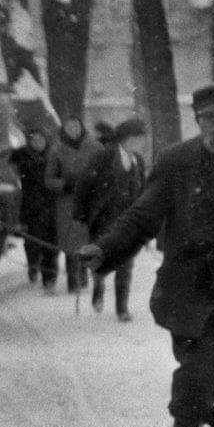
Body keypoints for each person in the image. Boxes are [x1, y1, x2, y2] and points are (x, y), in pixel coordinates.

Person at [79, 82, 214, 427]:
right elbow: (141, 217)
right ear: (197, 121)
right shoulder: (177, 162)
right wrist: (104, 249)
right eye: (210, 119)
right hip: (190, 288)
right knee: (197, 373)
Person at [74, 117, 147, 321]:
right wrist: (80, 214)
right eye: (138, 139)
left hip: (128, 221)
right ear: (125, 139)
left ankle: (121, 308)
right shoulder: (103, 157)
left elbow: (142, 191)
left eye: (142, 139)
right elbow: (84, 185)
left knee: (126, 263)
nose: (141, 143)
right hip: (104, 218)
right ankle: (98, 284)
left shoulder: (138, 161)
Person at [46, 116, 102, 293]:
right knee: (70, 239)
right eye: (69, 127)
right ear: (64, 129)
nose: (73, 130)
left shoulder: (95, 147)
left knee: (88, 236)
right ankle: (73, 278)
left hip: (90, 200)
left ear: (81, 127)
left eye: (76, 126)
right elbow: (49, 179)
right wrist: (65, 184)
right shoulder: (56, 150)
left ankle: (85, 272)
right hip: (67, 202)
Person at [11, 127, 57, 289]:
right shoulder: (21, 156)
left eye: (41, 139)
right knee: (32, 241)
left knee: (50, 242)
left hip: (50, 204)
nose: (38, 142)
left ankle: (49, 277)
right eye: (34, 140)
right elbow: (5, 162)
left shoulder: (53, 156)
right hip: (30, 205)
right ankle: (33, 265)